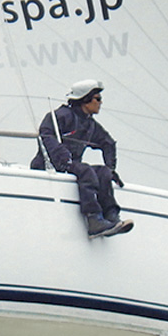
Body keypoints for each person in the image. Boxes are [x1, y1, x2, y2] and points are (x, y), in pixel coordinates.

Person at [30, 79, 134, 240]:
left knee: (103, 172)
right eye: (97, 98)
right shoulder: (61, 116)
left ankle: (111, 216)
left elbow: (108, 143)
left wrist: (111, 168)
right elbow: (46, 135)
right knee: (86, 170)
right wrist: (63, 157)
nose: (100, 102)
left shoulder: (89, 124)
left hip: (72, 165)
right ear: (85, 99)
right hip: (51, 165)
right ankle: (93, 219)